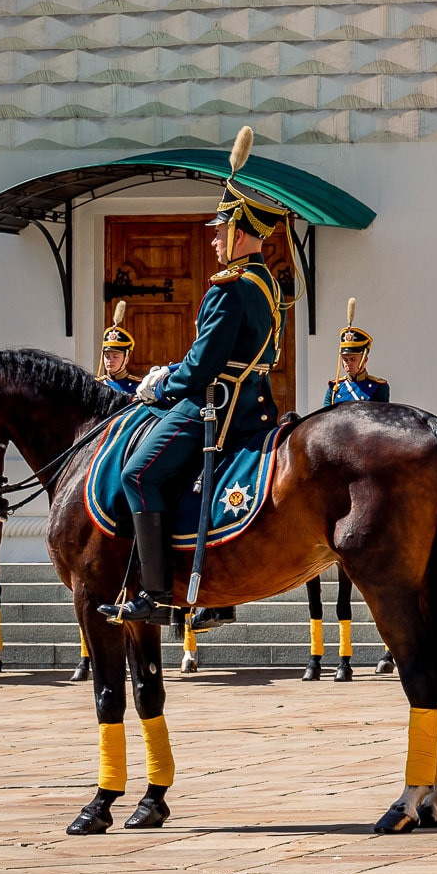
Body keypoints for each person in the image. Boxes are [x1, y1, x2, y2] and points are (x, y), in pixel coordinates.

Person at [100, 138, 285, 627]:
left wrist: (161, 385)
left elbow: (203, 367)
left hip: (217, 406)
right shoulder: (267, 285)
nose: (213, 240)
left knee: (137, 475)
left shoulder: (231, 287)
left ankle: (156, 592)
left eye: (220, 230)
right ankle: (212, 587)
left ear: (242, 233)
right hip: (256, 404)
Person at [309, 300, 390, 682]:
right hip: (338, 472)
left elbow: (381, 431)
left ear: (365, 356)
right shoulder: (333, 389)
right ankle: (336, 655)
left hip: (367, 469)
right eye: (344, 356)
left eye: (354, 356)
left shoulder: (378, 388)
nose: (348, 362)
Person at [97, 303, 139, 399]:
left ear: (126, 359)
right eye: (107, 356)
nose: (110, 360)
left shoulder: (137, 386)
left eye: (115, 356)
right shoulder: (97, 385)